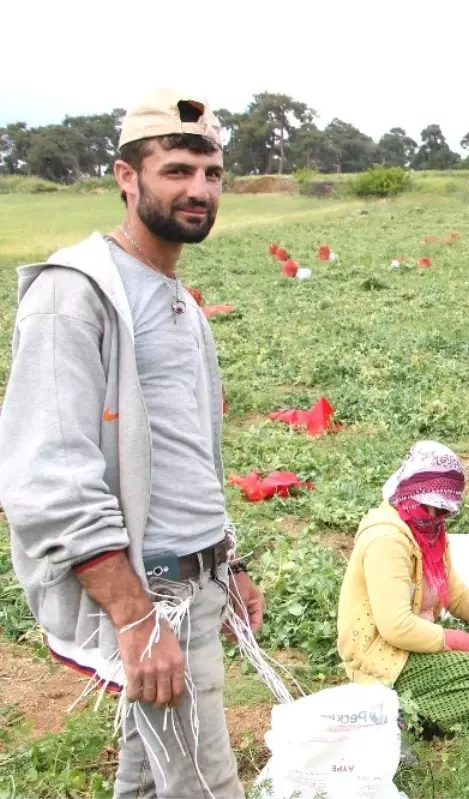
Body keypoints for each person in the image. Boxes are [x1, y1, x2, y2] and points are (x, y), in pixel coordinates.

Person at [0, 89, 265, 798]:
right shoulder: (75, 293)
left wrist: (228, 563)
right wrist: (134, 615)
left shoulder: (181, 303)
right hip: (155, 594)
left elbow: (193, 455)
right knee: (207, 785)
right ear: (126, 177)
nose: (199, 190)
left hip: (198, 582)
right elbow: (50, 472)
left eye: (211, 175)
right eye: (177, 170)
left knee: (149, 779)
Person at [337, 442, 469, 731]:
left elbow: (455, 594)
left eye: (443, 511)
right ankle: (397, 716)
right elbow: (395, 627)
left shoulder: (428, 533)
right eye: (430, 508)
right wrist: (464, 642)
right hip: (386, 657)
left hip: (416, 643)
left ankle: (432, 705)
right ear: (408, 491)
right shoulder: (387, 540)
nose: (435, 517)